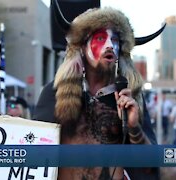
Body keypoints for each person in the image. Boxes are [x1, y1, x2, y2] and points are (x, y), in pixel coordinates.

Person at [33, 5, 164, 180]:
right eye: (101, 38)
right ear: (81, 48)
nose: (110, 45)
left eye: (115, 40)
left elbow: (151, 167)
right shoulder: (55, 93)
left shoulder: (129, 97)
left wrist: (133, 126)